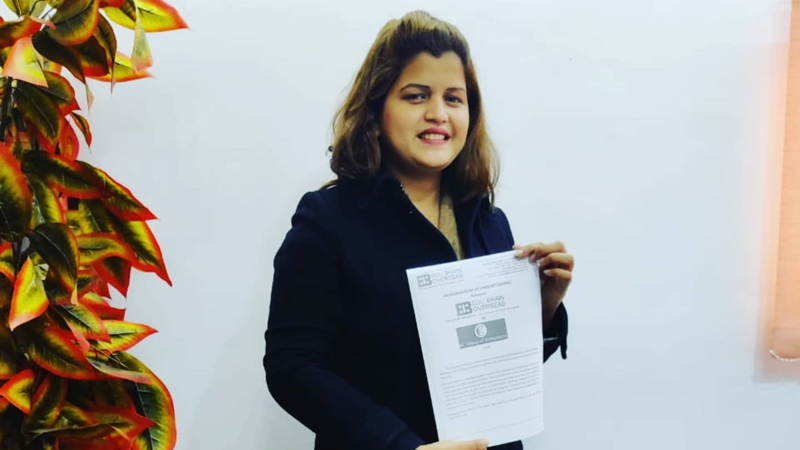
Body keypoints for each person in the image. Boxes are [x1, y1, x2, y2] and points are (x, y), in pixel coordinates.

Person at [263, 10, 573, 450]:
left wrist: (543, 308)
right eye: (416, 96)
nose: (437, 114)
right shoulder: (328, 220)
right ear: (376, 111)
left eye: (454, 98)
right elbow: (292, 367)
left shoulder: (489, 222)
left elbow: (494, 369)